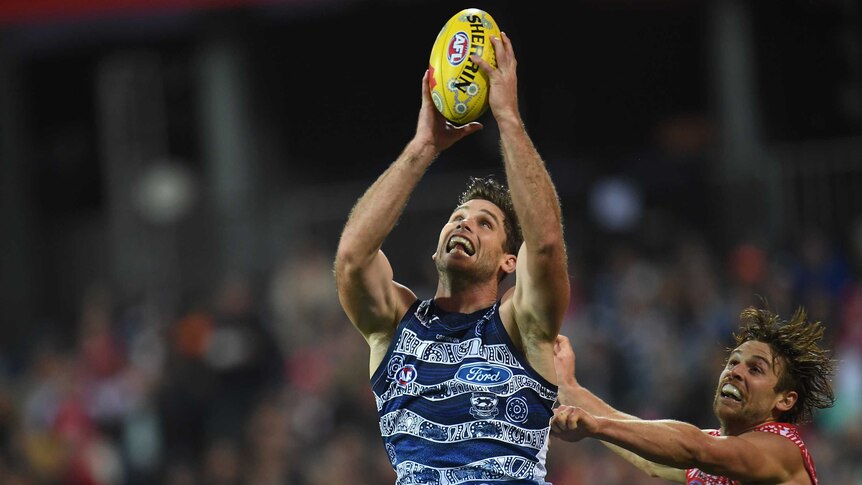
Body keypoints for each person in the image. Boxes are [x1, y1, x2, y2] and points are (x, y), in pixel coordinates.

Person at [334, 32, 570, 484]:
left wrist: (509, 119)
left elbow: (545, 245)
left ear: (508, 262)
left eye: (485, 223)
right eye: (457, 218)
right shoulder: (395, 323)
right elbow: (351, 257)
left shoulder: (524, 325)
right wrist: (423, 148)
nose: (463, 224)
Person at [550, 305, 836, 484]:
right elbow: (652, 459)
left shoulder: (783, 449)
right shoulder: (720, 451)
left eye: (756, 369)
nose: (735, 372)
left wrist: (598, 426)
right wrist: (569, 388)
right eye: (733, 361)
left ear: (785, 400)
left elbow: (694, 448)